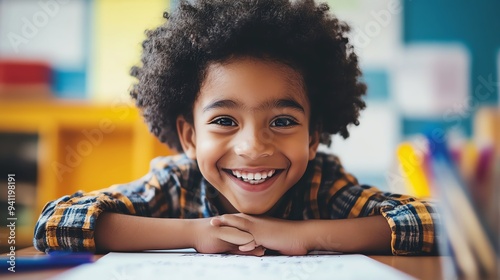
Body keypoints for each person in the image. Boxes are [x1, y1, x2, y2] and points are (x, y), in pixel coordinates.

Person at [34, 0, 438, 256]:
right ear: (190, 136)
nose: (253, 146)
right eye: (225, 121)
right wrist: (195, 234)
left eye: (282, 122)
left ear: (312, 138)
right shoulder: (178, 182)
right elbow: (56, 223)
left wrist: (306, 235)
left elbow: (439, 223)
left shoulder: (322, 183)